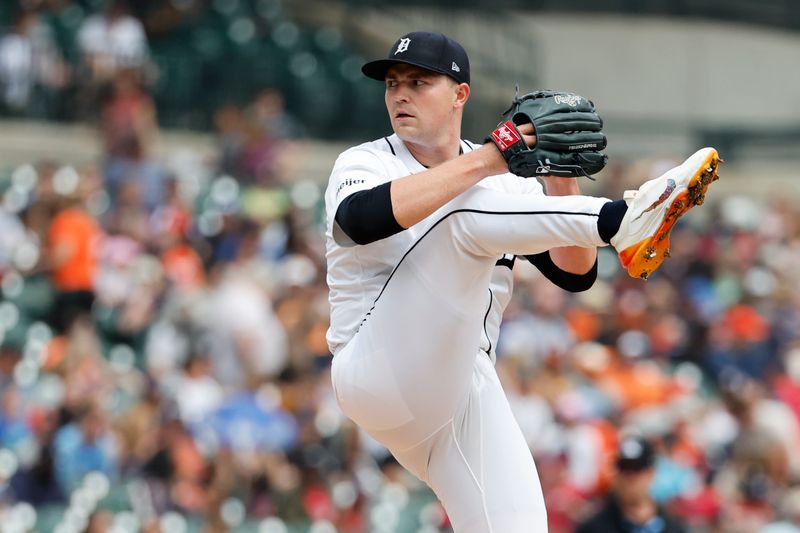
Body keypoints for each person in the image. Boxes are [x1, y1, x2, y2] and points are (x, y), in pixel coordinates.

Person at [324, 31, 719, 532]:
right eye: (393, 83)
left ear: (460, 94)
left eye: (419, 82)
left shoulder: (503, 181)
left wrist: (560, 175)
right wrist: (494, 154)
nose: (400, 93)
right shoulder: (364, 161)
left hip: (461, 389)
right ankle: (624, 219)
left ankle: (623, 222)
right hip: (375, 367)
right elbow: (359, 220)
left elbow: (576, 273)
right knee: (463, 206)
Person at [576, 435, 689, 533]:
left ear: (650, 473)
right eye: (623, 468)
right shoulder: (593, 528)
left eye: (636, 469)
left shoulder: (673, 528)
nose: (629, 477)